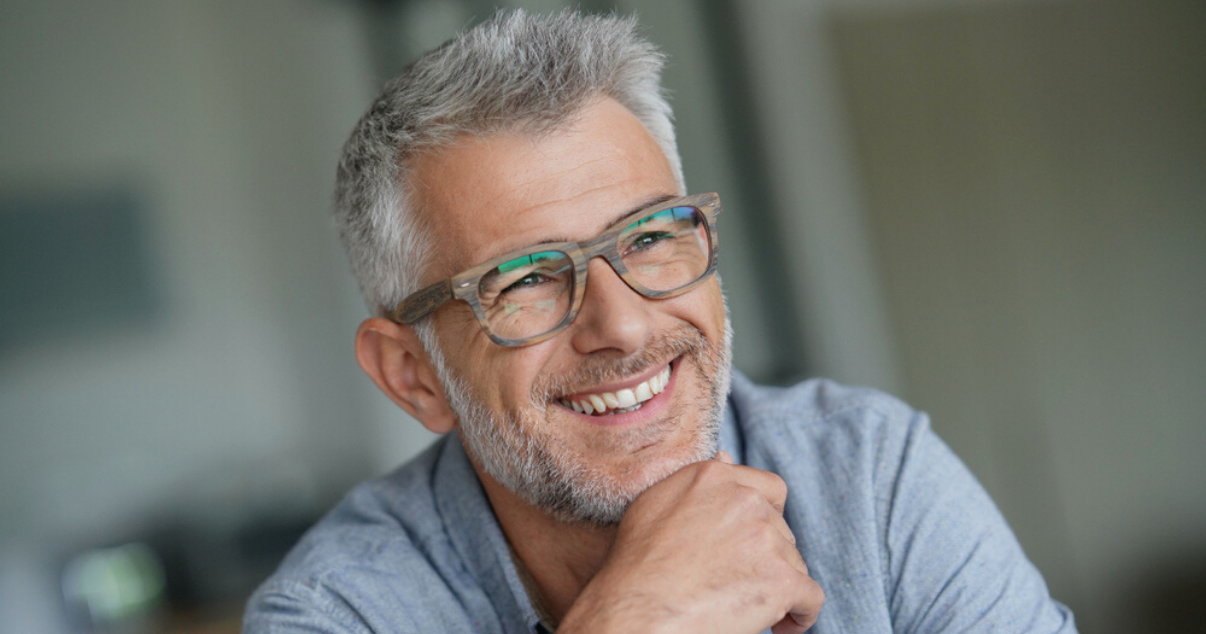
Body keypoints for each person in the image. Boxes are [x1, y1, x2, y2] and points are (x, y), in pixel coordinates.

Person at [244, 9, 1076, 634]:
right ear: (412, 375)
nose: (626, 327)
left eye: (649, 237)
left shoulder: (869, 472)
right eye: (526, 278)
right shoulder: (337, 612)